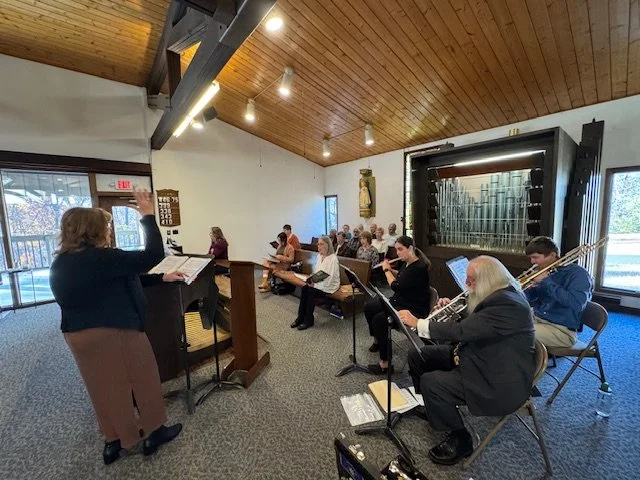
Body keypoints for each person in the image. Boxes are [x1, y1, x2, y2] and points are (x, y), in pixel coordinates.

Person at [49, 190, 183, 465]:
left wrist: (161, 278)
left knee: (102, 386)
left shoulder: (62, 262)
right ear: (93, 232)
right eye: (106, 227)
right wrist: (147, 214)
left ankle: (115, 440)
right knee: (143, 378)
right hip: (115, 331)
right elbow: (153, 254)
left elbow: (123, 279)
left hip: (78, 335)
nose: (109, 232)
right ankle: (154, 432)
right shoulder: (103, 258)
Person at [398, 256, 535, 466]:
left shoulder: (509, 304)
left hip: (497, 380)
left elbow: (463, 331)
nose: (466, 283)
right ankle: (433, 406)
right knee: (419, 355)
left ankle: (461, 439)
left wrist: (419, 323)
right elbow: (478, 325)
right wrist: (450, 309)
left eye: (471, 280)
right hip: (479, 356)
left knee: (431, 382)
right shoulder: (497, 294)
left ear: (488, 279)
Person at [365, 236, 431, 374]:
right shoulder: (407, 263)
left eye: (400, 249)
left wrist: (386, 271)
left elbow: (396, 286)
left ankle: (385, 364)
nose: (397, 253)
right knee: (369, 307)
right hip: (401, 300)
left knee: (379, 320)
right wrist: (391, 269)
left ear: (410, 248)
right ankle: (378, 341)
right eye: (396, 250)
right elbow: (402, 276)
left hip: (412, 308)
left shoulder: (419, 267)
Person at [524, 236, 593, 348]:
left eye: (535, 257)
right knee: (503, 322)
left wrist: (546, 282)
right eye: (531, 258)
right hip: (539, 318)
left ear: (552, 255)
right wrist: (530, 289)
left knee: (516, 333)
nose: (532, 262)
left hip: (561, 329)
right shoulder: (545, 271)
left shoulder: (578, 274)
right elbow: (532, 300)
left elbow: (577, 304)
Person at [291, 235, 340, 330]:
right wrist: (312, 279)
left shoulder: (333, 258)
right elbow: (318, 272)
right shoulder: (319, 256)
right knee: (305, 288)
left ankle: (308, 320)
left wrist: (315, 284)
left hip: (329, 285)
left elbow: (330, 277)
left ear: (328, 245)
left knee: (311, 291)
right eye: (318, 244)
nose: (319, 246)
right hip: (319, 282)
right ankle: (300, 317)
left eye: (321, 244)